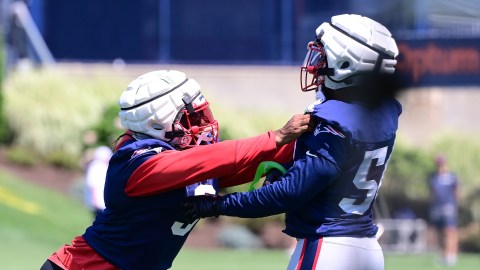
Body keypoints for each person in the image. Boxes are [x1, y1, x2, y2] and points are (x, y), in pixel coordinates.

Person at [183, 14, 402, 270]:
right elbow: (334, 173)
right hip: (367, 249)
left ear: (347, 64)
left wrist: (214, 205)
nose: (315, 64)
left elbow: (287, 193)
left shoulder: (335, 123)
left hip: (329, 248)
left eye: (323, 56)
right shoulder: (384, 113)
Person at [40, 69, 313, 270]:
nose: (202, 122)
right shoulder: (136, 161)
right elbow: (209, 160)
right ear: (158, 123)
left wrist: (312, 138)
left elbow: (243, 164)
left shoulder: (180, 157)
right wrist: (275, 136)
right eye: (190, 117)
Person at [428, 154, 459, 266]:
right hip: (437, 208)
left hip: (448, 207)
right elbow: (432, 193)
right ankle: (443, 255)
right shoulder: (433, 177)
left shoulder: (452, 176)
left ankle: (451, 255)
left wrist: (455, 206)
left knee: (449, 231)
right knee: (439, 232)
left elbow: (456, 192)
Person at [84, 145, 113, 218]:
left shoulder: (101, 167)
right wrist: (96, 203)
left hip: (103, 205)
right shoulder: (97, 167)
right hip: (99, 204)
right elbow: (94, 185)